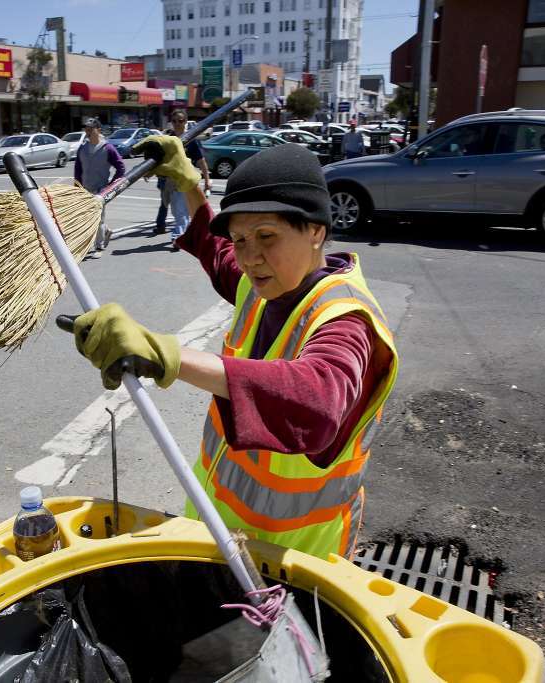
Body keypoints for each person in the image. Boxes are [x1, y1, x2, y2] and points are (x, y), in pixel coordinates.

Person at [70, 138, 399, 560]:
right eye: (242, 240)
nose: (250, 257)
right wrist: (190, 184)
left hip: (294, 563)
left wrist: (167, 354)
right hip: (216, 533)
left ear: (316, 230)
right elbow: (215, 249)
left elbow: (317, 402)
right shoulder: (259, 288)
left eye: (267, 236)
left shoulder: (347, 321)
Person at [156, 110, 211, 250]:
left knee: (181, 212)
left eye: (180, 121)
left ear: (185, 122)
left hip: (186, 181)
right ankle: (190, 235)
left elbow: (201, 161)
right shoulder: (169, 139)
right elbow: (160, 160)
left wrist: (207, 180)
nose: (177, 124)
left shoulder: (191, 140)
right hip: (171, 182)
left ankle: (177, 238)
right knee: (177, 212)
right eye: (174, 121)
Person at [73, 118, 126, 254]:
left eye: (91, 128)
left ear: (99, 130)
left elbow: (120, 167)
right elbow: (78, 170)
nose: (88, 131)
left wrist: (111, 185)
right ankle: (106, 232)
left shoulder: (108, 148)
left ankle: (99, 246)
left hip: (100, 190)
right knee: (88, 218)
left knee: (99, 218)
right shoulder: (82, 149)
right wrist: (76, 187)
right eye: (86, 128)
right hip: (85, 189)